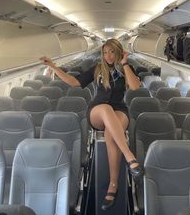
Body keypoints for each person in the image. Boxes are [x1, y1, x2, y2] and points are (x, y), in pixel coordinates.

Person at [40, 38, 144, 210]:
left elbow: (134, 87)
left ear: (118, 52)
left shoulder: (126, 68)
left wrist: (125, 63)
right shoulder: (97, 69)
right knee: (105, 108)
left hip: (119, 109)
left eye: (111, 52)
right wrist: (52, 66)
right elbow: (74, 82)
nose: (108, 56)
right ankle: (130, 157)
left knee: (112, 135)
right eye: (105, 52)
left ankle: (113, 184)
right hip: (97, 110)